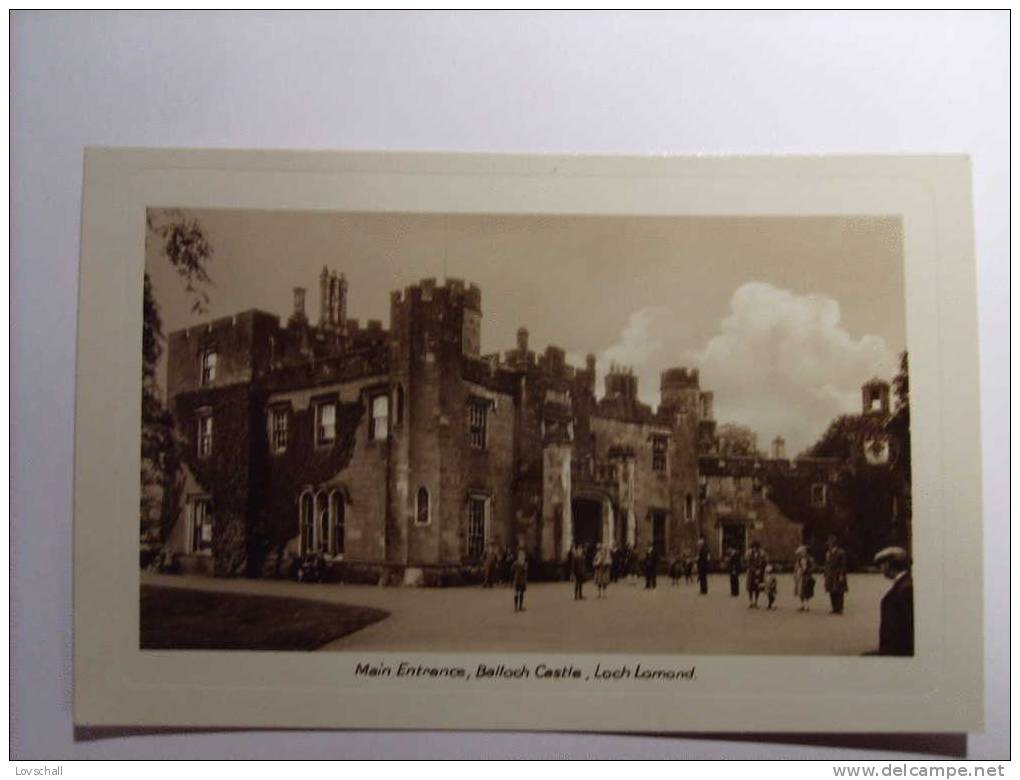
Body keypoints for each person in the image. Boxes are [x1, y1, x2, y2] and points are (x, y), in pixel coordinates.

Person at [873, 546, 914, 655]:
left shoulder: (905, 590)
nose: (881, 569)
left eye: (881, 565)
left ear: (888, 565)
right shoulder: (906, 584)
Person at [824, 535, 849, 614]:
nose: (829, 545)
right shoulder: (828, 553)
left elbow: (843, 565)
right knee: (831, 591)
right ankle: (834, 607)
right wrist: (825, 574)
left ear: (834, 544)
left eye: (830, 544)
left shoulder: (841, 552)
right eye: (828, 544)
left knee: (839, 591)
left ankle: (840, 608)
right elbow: (827, 565)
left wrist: (842, 574)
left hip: (838, 574)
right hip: (830, 574)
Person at [792, 545, 816, 611]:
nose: (801, 554)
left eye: (802, 552)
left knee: (807, 591)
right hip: (800, 577)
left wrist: (807, 571)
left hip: (806, 577)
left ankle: (807, 605)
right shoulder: (799, 560)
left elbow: (813, 567)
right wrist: (796, 573)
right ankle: (802, 605)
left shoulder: (810, 559)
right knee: (800, 591)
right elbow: (796, 568)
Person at [745, 540, 768, 608]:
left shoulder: (762, 554)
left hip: (759, 573)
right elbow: (748, 563)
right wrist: (752, 569)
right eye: (753, 547)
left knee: (757, 588)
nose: (754, 549)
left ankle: (756, 602)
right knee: (750, 588)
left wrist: (760, 569)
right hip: (751, 573)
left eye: (756, 547)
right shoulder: (749, 554)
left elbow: (764, 562)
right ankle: (751, 601)